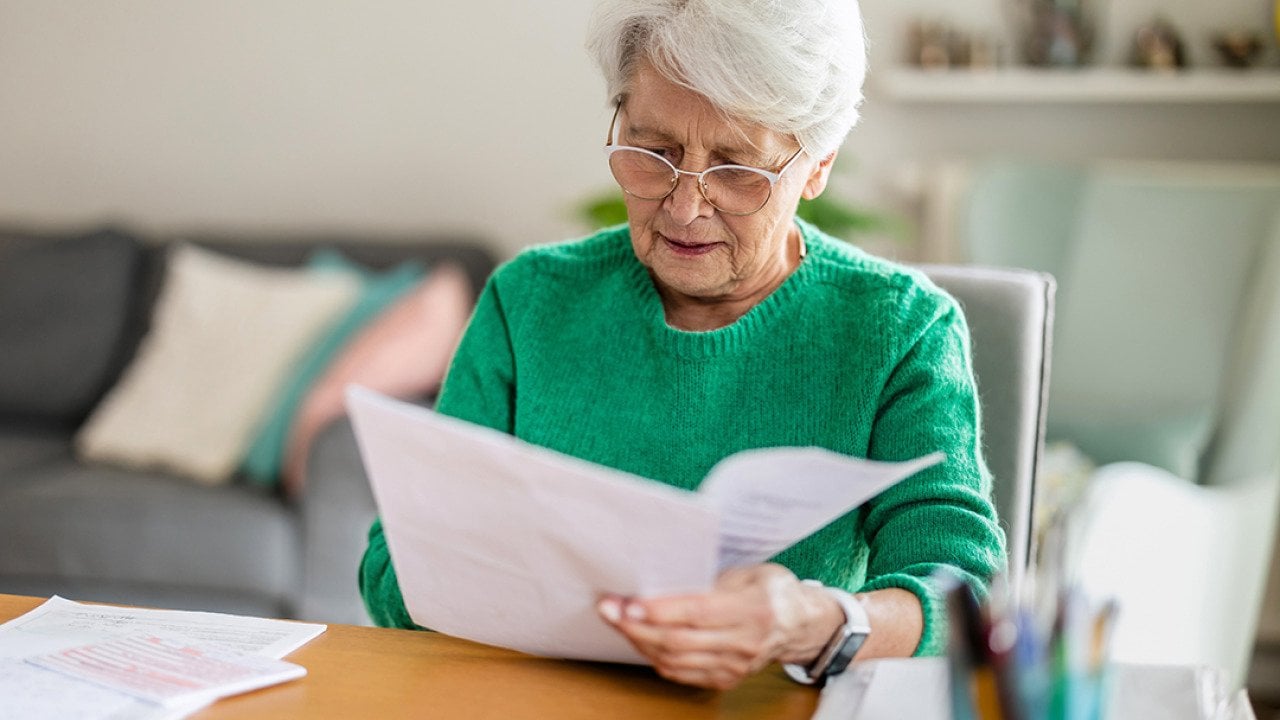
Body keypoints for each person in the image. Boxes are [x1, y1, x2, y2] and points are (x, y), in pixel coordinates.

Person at [360, 0, 1004, 691]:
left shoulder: (900, 328)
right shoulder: (530, 302)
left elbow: (960, 586)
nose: (685, 206)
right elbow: (391, 571)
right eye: (655, 152)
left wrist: (818, 620)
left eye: (736, 169)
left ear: (816, 167)